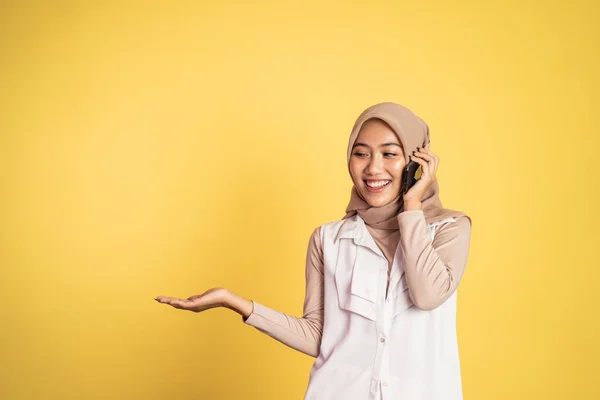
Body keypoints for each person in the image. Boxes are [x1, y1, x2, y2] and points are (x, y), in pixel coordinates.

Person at [155, 102, 473, 400]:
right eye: (361, 154)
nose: (373, 168)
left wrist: (413, 205)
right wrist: (235, 302)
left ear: (417, 163)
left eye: (390, 154)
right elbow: (319, 336)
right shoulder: (329, 239)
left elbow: (427, 296)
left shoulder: (449, 229)